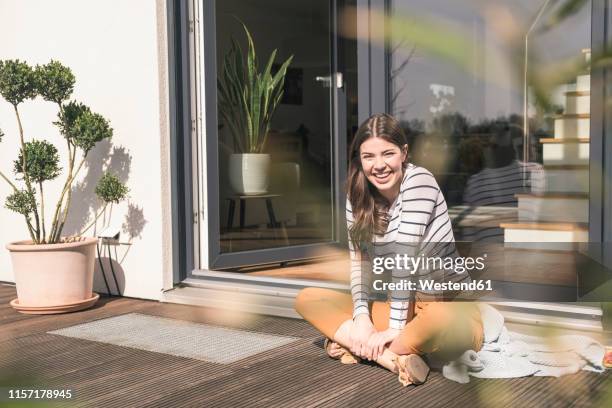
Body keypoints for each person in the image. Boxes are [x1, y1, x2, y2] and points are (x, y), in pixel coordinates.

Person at [294, 113, 484, 386]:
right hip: (401, 306)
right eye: (368, 156)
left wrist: (392, 329)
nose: (379, 165)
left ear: (404, 153)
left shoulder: (420, 182)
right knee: (307, 298)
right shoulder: (356, 195)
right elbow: (359, 265)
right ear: (359, 158)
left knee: (440, 319)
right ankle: (393, 359)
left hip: (447, 306)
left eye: (388, 154)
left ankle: (356, 346)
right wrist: (361, 318)